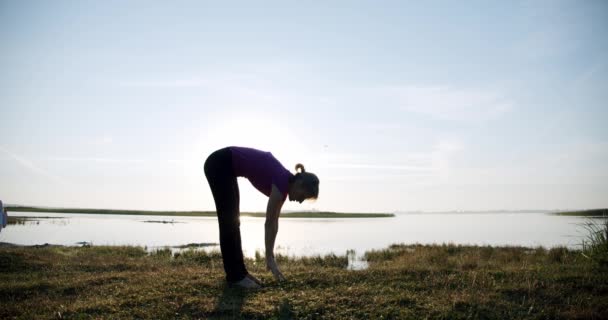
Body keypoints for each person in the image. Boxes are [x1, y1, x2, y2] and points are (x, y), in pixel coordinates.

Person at [204, 146, 319, 289]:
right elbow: (269, 223)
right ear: (300, 184)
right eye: (303, 196)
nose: (301, 201)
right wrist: (270, 258)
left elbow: (274, 224)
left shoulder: (283, 187)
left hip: (226, 166)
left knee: (234, 221)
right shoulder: (281, 182)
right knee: (228, 223)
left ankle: (241, 273)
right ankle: (235, 277)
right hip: (219, 163)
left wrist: (270, 256)